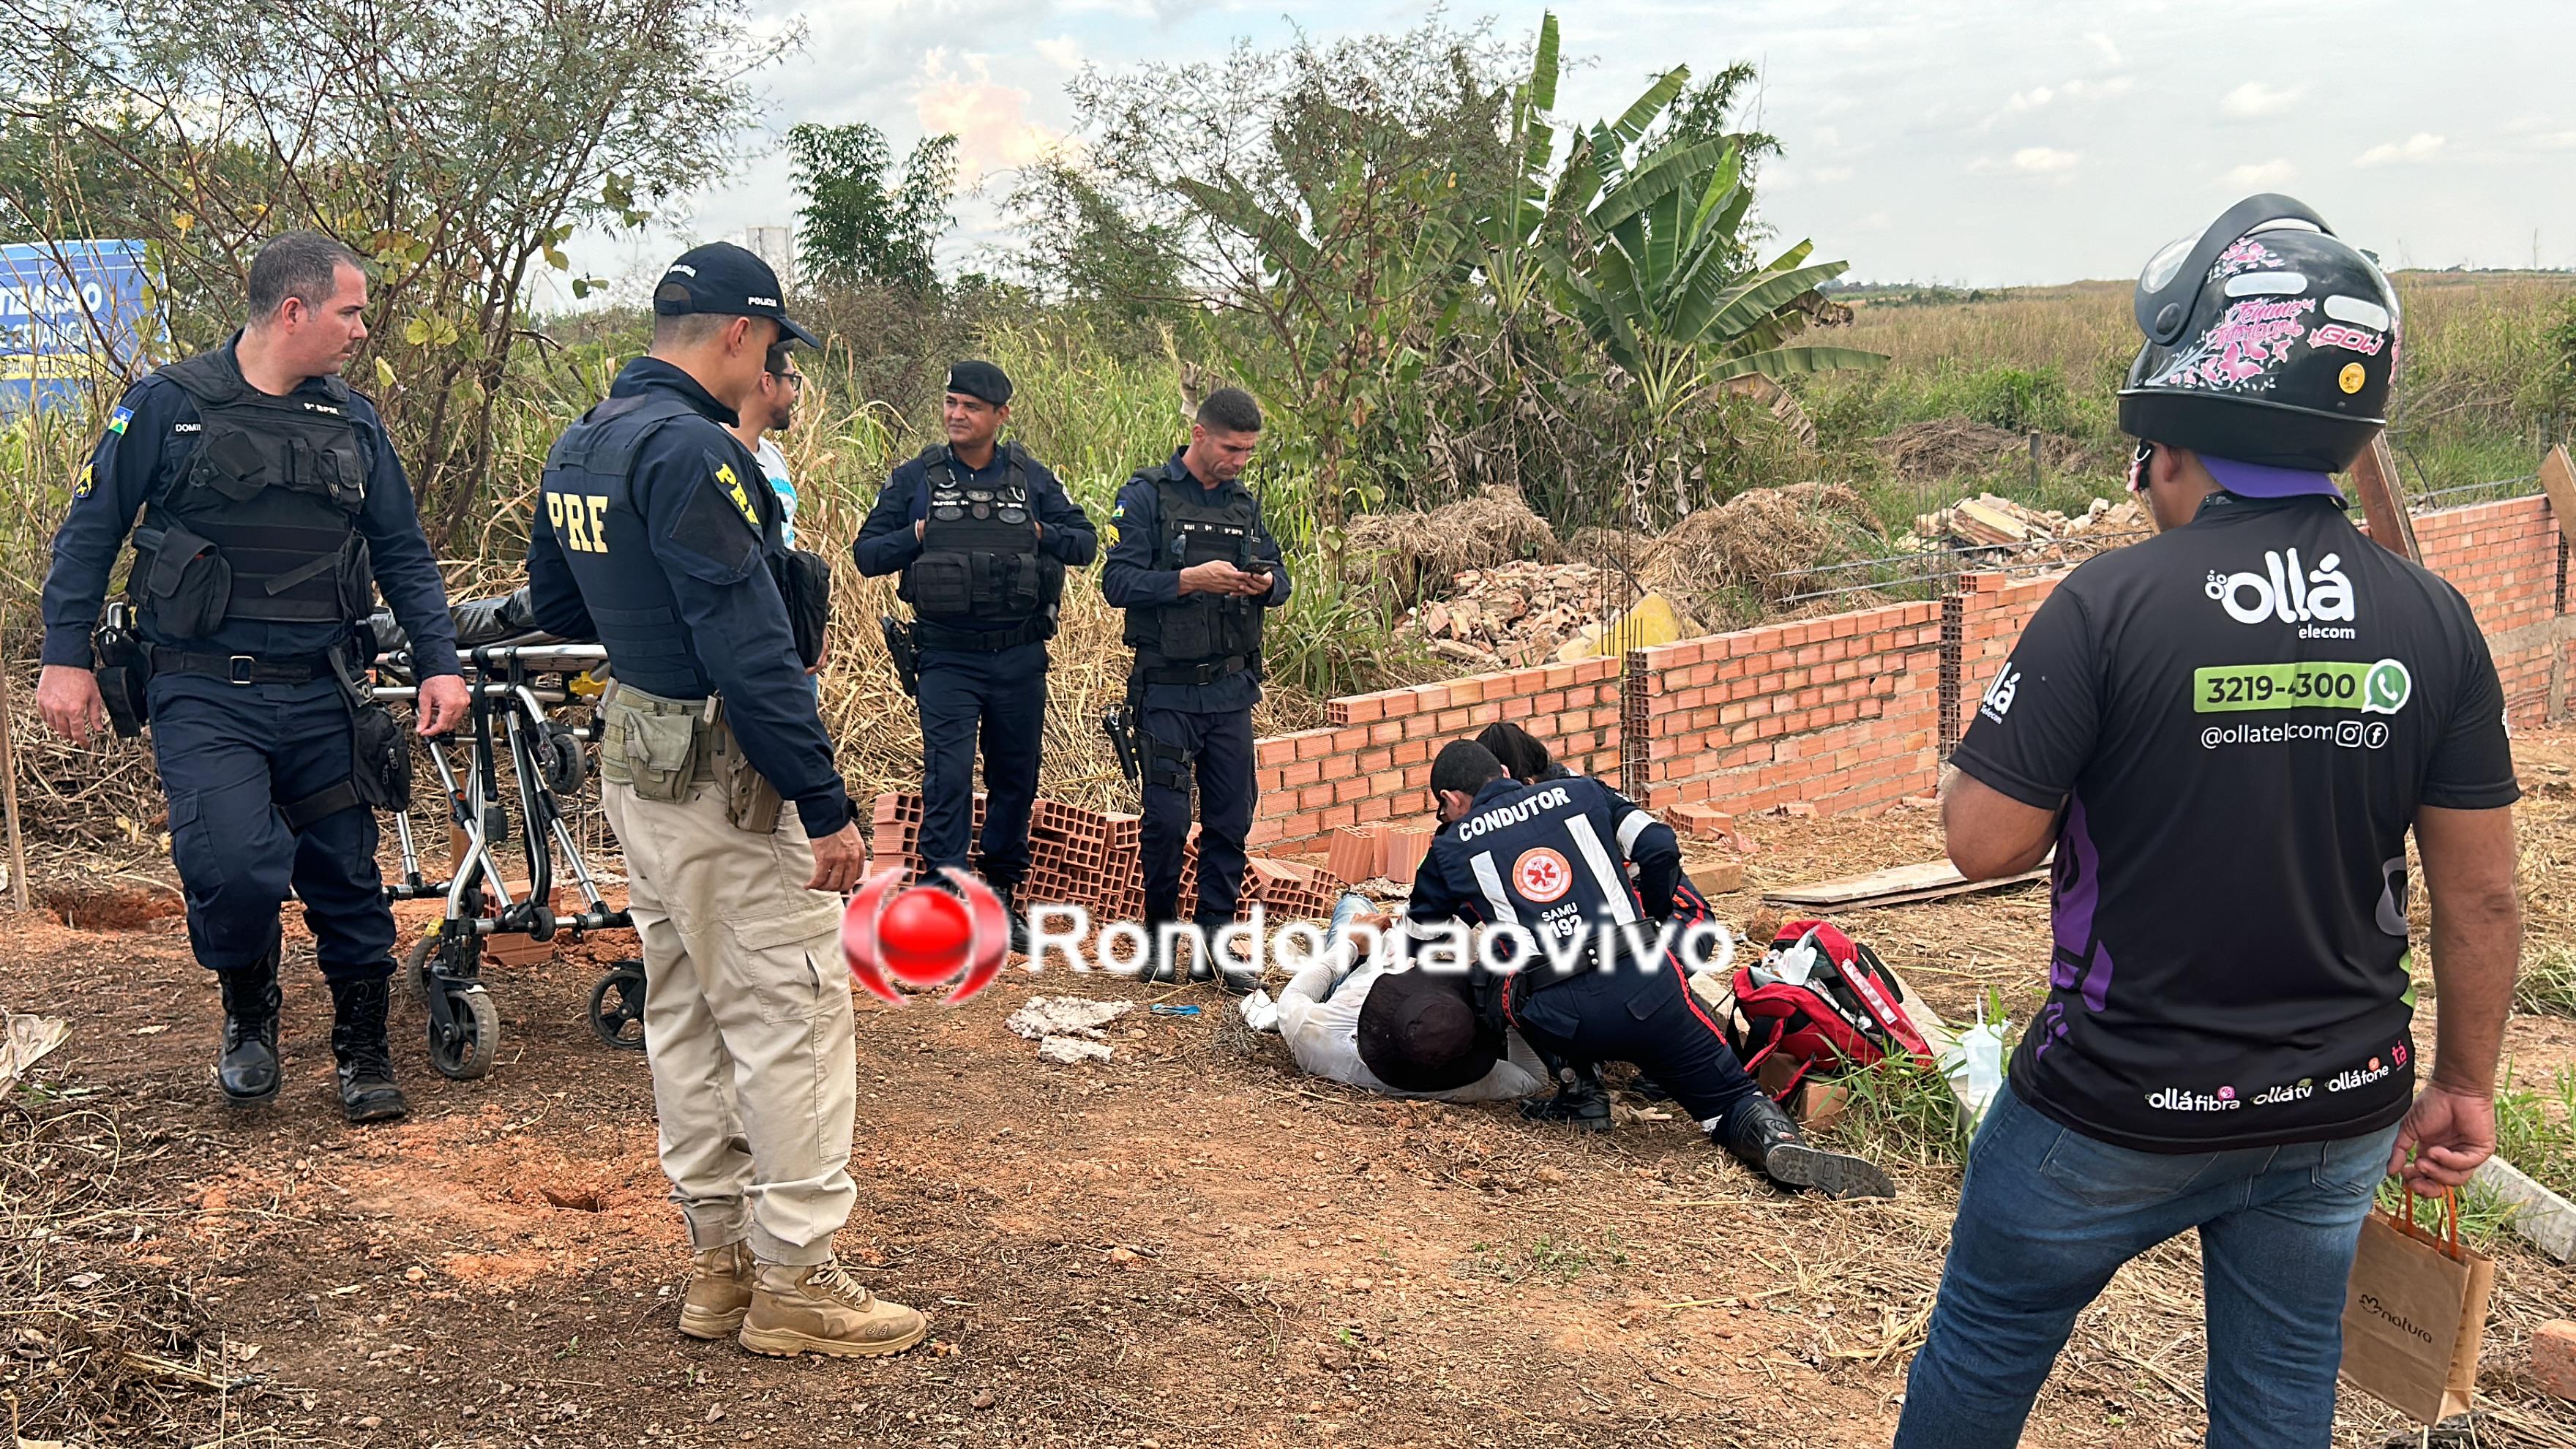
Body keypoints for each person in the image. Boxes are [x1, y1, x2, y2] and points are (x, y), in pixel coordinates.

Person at [1895, 196, 2523, 1449]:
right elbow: (2483, 896)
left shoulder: (2109, 604)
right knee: (2282, 1398)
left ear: (2168, 425)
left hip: (2111, 1110)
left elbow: (1982, 841)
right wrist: (2462, 1082)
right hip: (2338, 1104)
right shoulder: (2433, 618)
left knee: (1983, 1352)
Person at [523, 242, 924, 1360]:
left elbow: (556, 599)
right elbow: (750, 651)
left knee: (688, 1011)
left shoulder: (582, 445)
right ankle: (798, 1276)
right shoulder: (694, 453)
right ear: (741, 335)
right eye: (775, 349)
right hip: (726, 775)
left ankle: (720, 1266)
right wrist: (826, 802)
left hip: (637, 766)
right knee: (790, 1014)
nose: (772, 373)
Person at [36, 230, 470, 1125]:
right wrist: (65, 655)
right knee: (230, 866)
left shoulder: (353, 420)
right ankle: (249, 1012)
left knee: (347, 878)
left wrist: (440, 662)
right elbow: (89, 533)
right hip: (203, 686)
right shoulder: (168, 404)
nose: (359, 331)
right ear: (294, 310)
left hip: (325, 683)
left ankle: (362, 1048)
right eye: (350, 312)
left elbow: (403, 552)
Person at [1401, 739, 1894, 1199]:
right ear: (1506, 772)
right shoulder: (1583, 792)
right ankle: (1772, 1138)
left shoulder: (1450, 847)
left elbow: (1421, 940)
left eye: (1442, 809)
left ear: (1451, 798)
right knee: (1727, 1096)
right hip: (1649, 984)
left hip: (1563, 1014)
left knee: (1493, 974)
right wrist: (1651, 921)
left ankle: (1578, 1092)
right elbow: (1659, 845)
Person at [853, 362, 1096, 946]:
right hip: (946, 657)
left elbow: (1084, 543)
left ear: (1000, 415)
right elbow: (866, 554)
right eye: (951, 402)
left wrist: (1039, 533)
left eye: (971, 407)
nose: (957, 415)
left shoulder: (1030, 478)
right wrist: (915, 536)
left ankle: (1001, 893)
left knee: (1016, 777)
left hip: (1018, 655)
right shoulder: (919, 477)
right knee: (949, 775)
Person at [1100, 386, 1292, 989]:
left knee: (1230, 821)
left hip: (1231, 690)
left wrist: (1265, 586)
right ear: (1201, 435)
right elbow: (1117, 582)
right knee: (1164, 822)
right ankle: (1160, 940)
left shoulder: (1244, 505)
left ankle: (1215, 943)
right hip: (1166, 691)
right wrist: (1188, 580)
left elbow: (1281, 576)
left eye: (1249, 452)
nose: (1240, 461)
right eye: (1233, 449)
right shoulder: (1146, 496)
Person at [1269, 893, 1549, 1101]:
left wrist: (1352, 944)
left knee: (1355, 904)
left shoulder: (1316, 1036)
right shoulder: (1466, 1082)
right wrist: (1506, 1003)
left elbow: (1295, 994)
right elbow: (1535, 1077)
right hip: (1400, 976)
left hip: (1354, 972)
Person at [728, 341, 805, 549]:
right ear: (768, 382)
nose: (795, 394)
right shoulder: (719, 457)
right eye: (793, 381)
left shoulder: (773, 456)